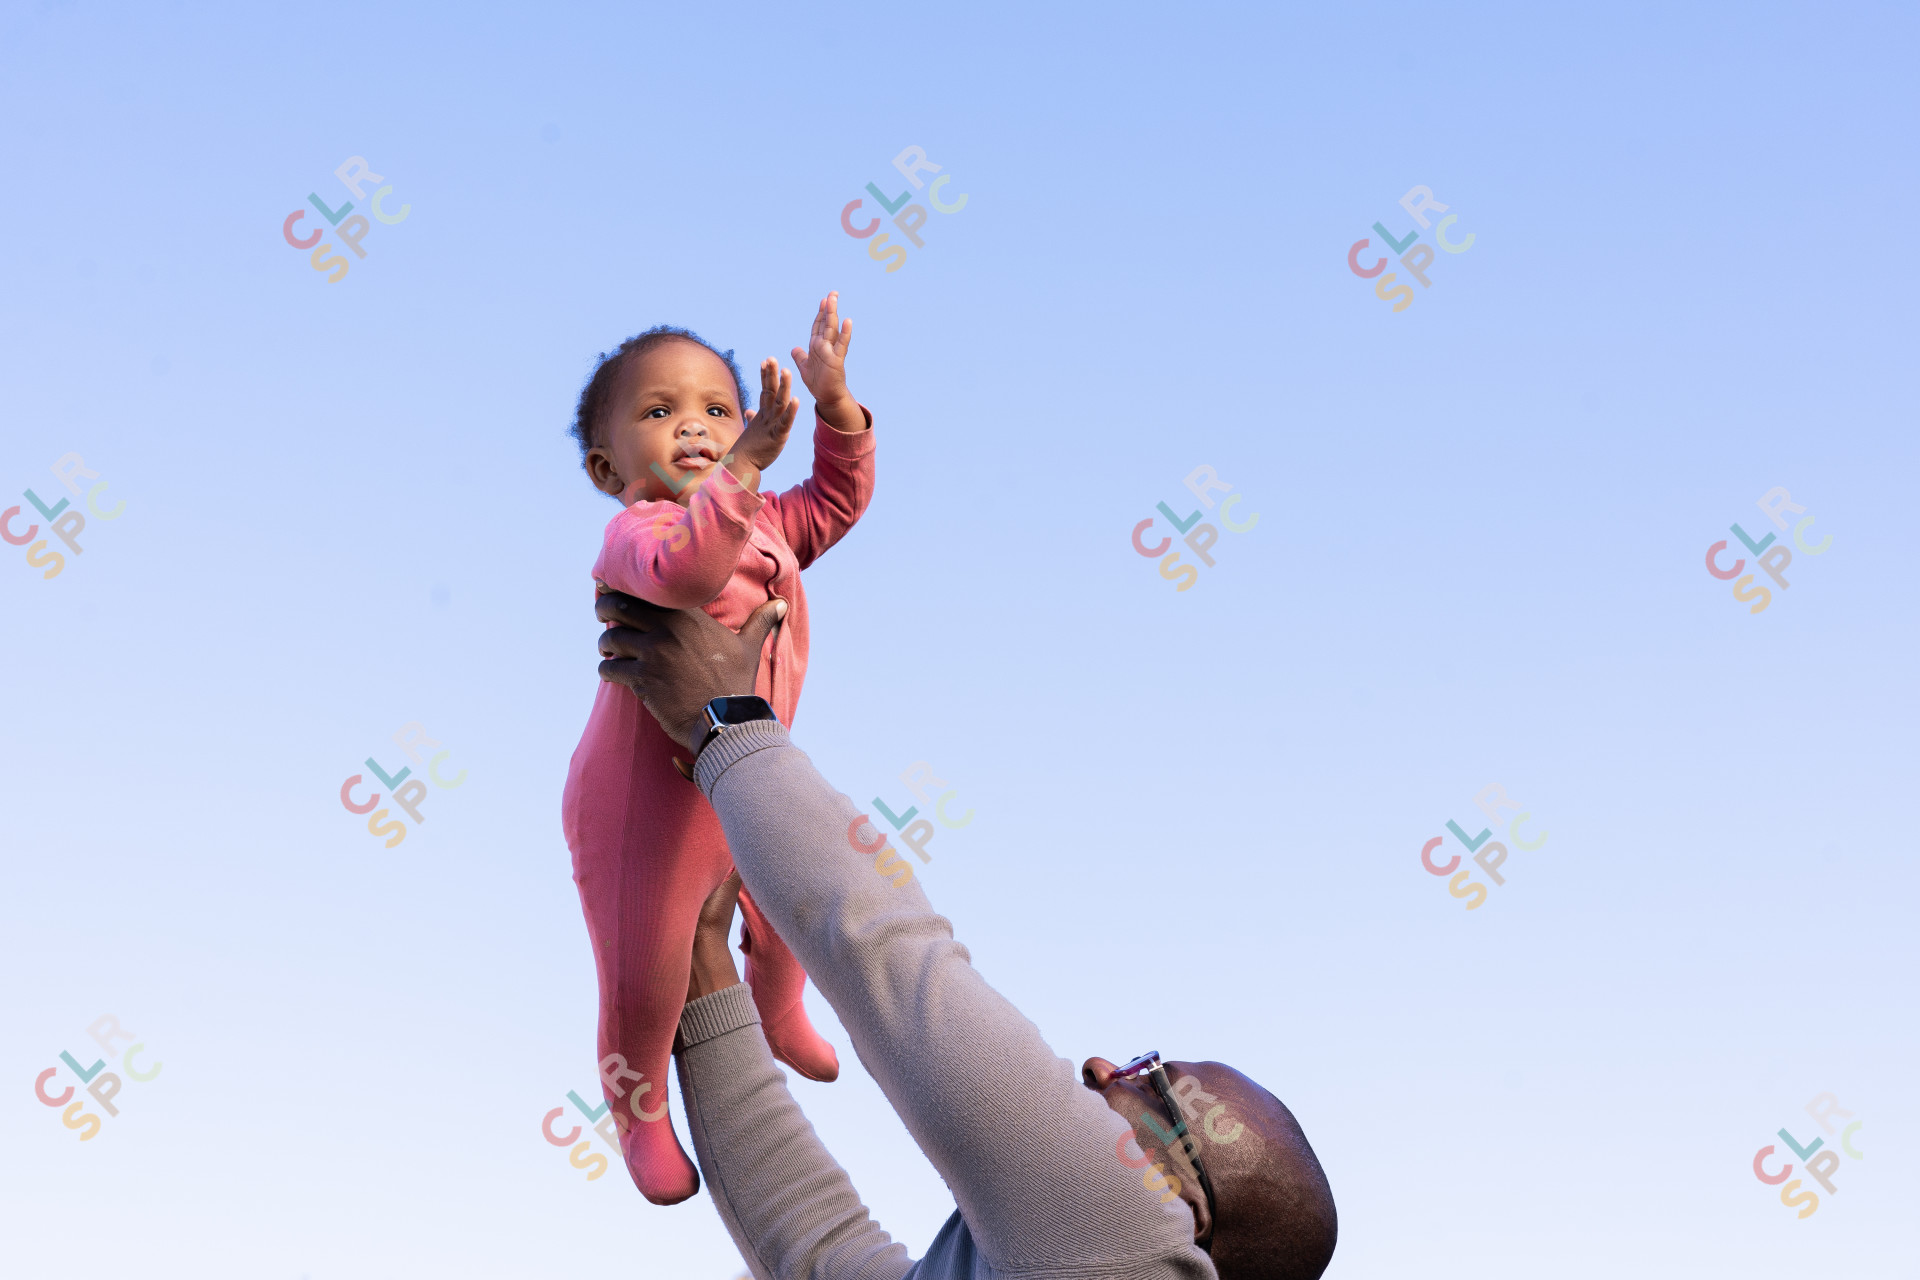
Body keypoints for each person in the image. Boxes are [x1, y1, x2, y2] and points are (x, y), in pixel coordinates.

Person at [592, 588, 1339, 1279]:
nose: (1105, 1067)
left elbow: (892, 958)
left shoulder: (1134, 1244)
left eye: (1154, 1082)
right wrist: (703, 979)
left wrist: (727, 719)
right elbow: (811, 1249)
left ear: (1190, 1206)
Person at [562, 293, 874, 1203]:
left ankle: (779, 1008)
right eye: (660, 413)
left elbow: (837, 504)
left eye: (716, 410)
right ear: (606, 465)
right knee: (647, 965)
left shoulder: (766, 520)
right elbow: (688, 573)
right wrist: (741, 468)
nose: (694, 428)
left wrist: (834, 408)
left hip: (740, 764)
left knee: (790, 890)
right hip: (641, 800)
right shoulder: (639, 532)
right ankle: (641, 1107)